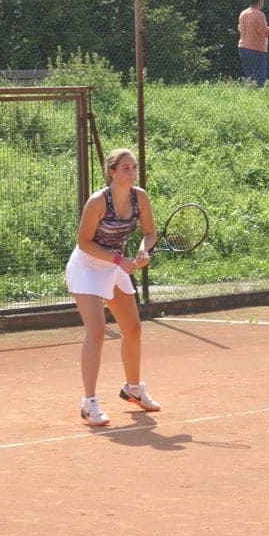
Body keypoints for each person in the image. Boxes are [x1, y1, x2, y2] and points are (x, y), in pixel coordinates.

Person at [65, 148, 160, 426]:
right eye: (126, 169)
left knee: (133, 329)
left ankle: (132, 388)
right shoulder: (98, 202)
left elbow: (149, 232)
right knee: (96, 331)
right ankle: (88, 403)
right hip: (88, 266)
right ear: (112, 172)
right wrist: (120, 259)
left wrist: (142, 251)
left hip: (115, 265)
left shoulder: (139, 196)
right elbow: (84, 242)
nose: (132, 173)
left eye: (134, 168)